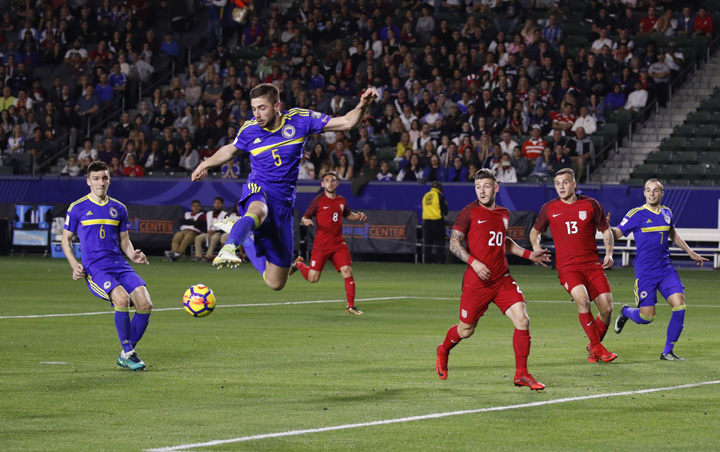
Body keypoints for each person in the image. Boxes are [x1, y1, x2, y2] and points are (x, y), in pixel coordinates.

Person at [191, 83, 377, 291]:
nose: (257, 114)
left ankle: (242, 232)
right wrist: (204, 164)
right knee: (258, 210)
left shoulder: (300, 120)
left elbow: (347, 122)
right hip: (258, 190)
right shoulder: (250, 129)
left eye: (262, 108)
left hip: (284, 205)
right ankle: (229, 246)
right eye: (254, 108)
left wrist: (362, 106)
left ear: (277, 105)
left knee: (275, 283)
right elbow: (230, 150)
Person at [435, 168, 550, 390]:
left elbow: (503, 241)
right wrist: (474, 263)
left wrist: (529, 255)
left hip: (501, 278)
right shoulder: (468, 213)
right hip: (476, 282)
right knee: (466, 330)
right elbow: (454, 243)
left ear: (496, 188)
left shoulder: (504, 213)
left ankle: (522, 374)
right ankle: (443, 349)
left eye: (486, 186)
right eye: (478, 187)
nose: (482, 191)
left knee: (523, 320)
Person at [61, 161, 152, 371]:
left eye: (104, 178)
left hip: (119, 264)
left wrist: (132, 254)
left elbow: (124, 240)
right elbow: (65, 239)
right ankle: (129, 353)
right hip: (96, 267)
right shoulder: (77, 208)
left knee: (145, 304)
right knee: (122, 299)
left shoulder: (119, 208)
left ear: (109, 180)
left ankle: (125, 353)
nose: (100, 182)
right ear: (88, 182)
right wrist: (74, 264)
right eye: (96, 178)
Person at [612, 179, 708, 360]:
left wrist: (690, 252)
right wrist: (605, 228)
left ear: (662, 193)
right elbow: (616, 234)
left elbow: (672, 234)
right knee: (647, 317)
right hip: (646, 272)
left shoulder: (667, 212)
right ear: (644, 193)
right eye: (648, 190)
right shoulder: (636, 214)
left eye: (655, 190)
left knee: (679, 305)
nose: (651, 193)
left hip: (666, 269)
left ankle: (667, 351)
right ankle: (626, 312)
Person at [529, 168, 618, 364]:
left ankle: (593, 347)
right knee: (583, 301)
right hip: (568, 268)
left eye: (565, 182)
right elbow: (534, 233)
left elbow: (606, 231)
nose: (561, 187)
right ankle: (598, 348)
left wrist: (609, 253)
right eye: (557, 183)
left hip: (593, 265)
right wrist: (536, 247)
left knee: (607, 309)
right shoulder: (549, 208)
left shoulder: (591, 205)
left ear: (574, 184)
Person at [290, 172, 368, 315]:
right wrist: (306, 221)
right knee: (313, 278)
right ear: (322, 184)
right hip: (322, 244)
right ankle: (299, 264)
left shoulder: (341, 200)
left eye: (333, 181)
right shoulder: (318, 201)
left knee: (347, 271)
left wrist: (358, 216)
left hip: (338, 243)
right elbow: (304, 217)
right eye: (327, 181)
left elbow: (347, 215)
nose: (330, 183)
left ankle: (351, 306)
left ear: (337, 183)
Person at [193, 197, 228, 263]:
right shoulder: (208, 214)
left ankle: (207, 256)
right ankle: (198, 256)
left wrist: (215, 231)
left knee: (214, 238)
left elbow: (225, 228)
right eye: (216, 203)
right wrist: (206, 231)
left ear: (222, 205)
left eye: (219, 203)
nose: (217, 205)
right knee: (198, 238)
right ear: (213, 204)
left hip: (218, 233)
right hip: (208, 233)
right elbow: (205, 225)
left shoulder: (225, 214)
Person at [422, 181, 448, 264]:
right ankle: (440, 260)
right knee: (439, 241)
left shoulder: (426, 195)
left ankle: (426, 260)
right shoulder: (439, 196)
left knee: (428, 241)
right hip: (437, 220)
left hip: (426, 221)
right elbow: (445, 210)